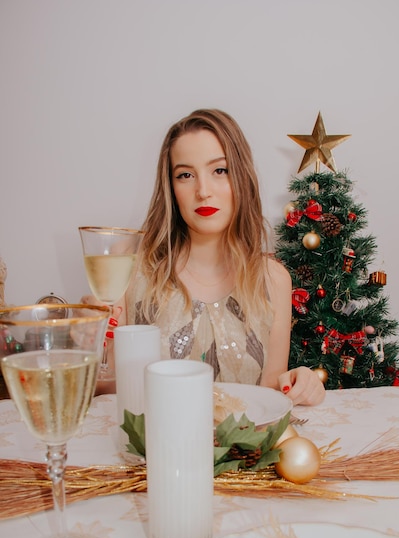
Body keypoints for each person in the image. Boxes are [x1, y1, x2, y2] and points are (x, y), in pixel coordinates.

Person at [93, 109, 325, 406]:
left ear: (241, 177)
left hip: (240, 450)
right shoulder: (129, 267)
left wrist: (300, 382)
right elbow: (107, 390)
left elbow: (268, 398)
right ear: (171, 187)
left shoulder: (273, 280)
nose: (203, 191)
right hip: (155, 449)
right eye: (185, 175)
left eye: (220, 170)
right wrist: (95, 341)